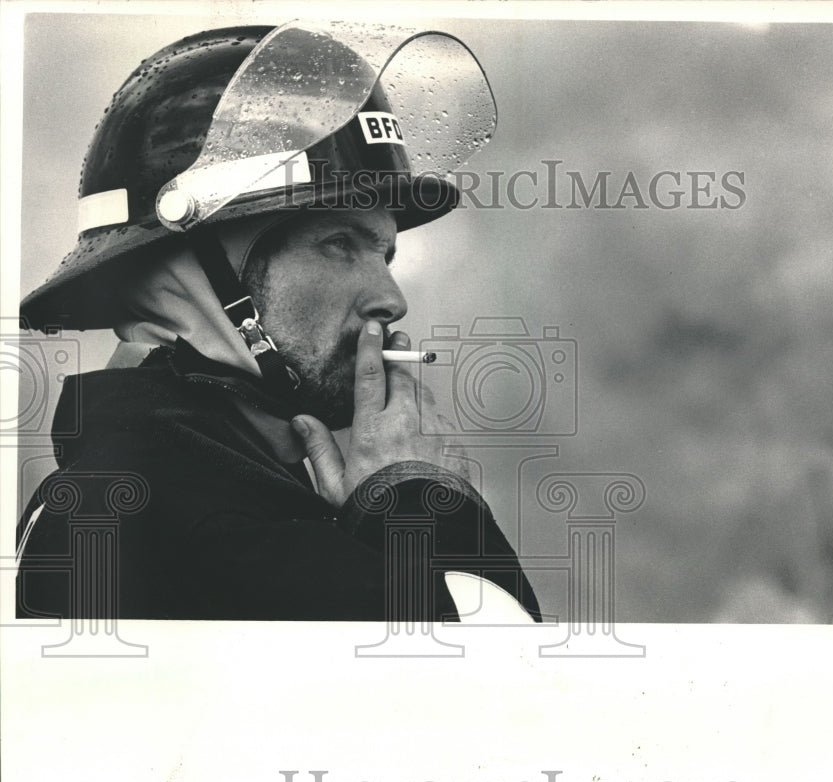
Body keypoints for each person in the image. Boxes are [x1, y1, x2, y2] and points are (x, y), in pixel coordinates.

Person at [15, 22, 541, 622]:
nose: (391, 300)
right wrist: (419, 499)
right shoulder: (195, 517)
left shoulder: (177, 487)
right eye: (338, 244)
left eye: (385, 255)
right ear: (198, 270)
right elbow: (513, 687)